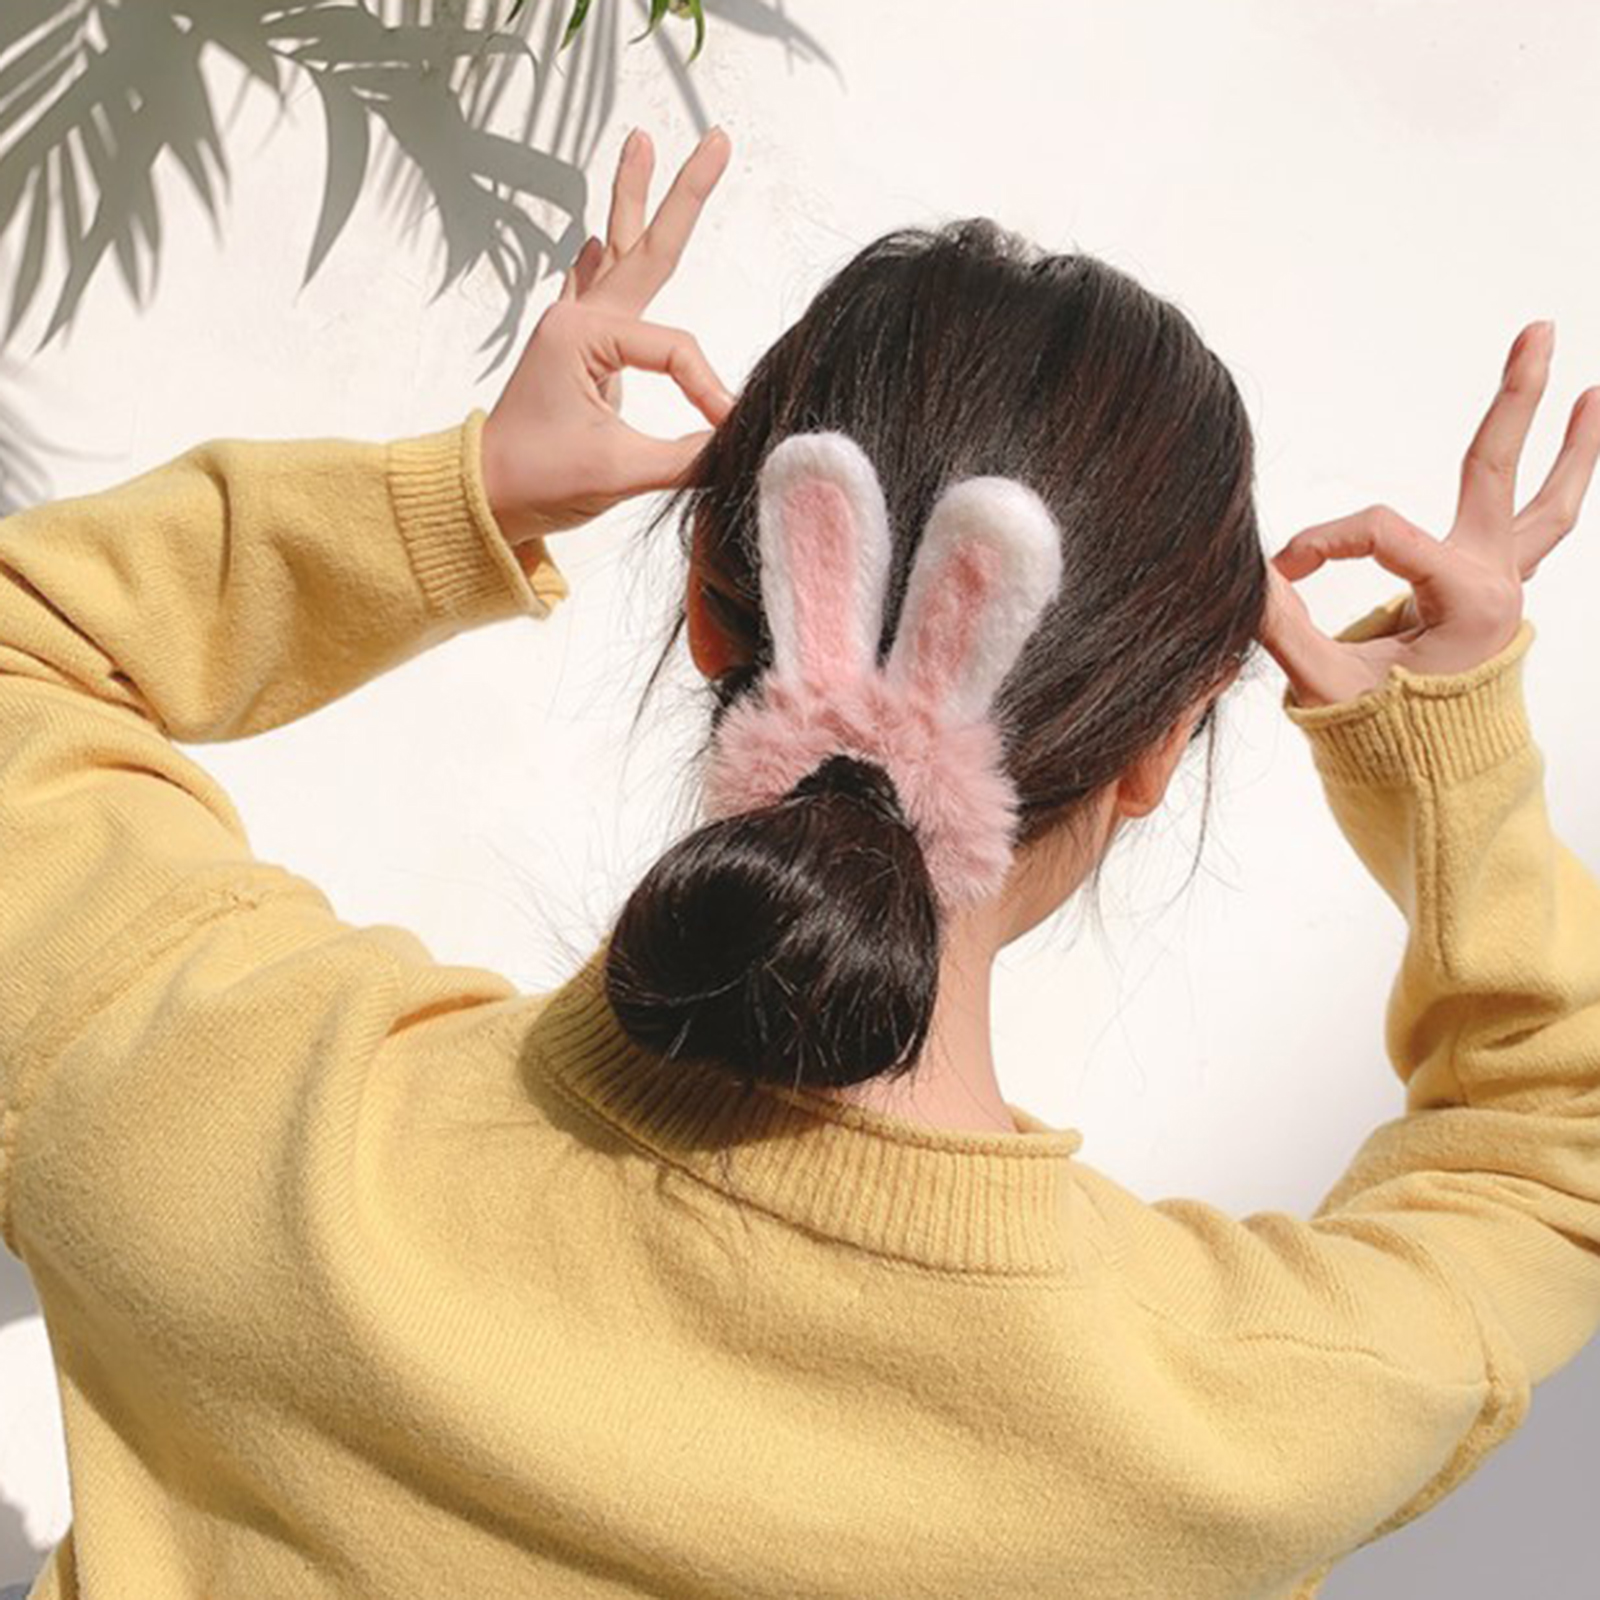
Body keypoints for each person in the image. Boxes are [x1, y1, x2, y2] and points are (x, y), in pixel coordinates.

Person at [0, 124, 1596, 1600]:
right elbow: (1555, 1156)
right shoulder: (1226, 1428)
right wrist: (1442, 760)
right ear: (1160, 747)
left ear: (714, 595)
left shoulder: (225, 1095)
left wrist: (469, 492)